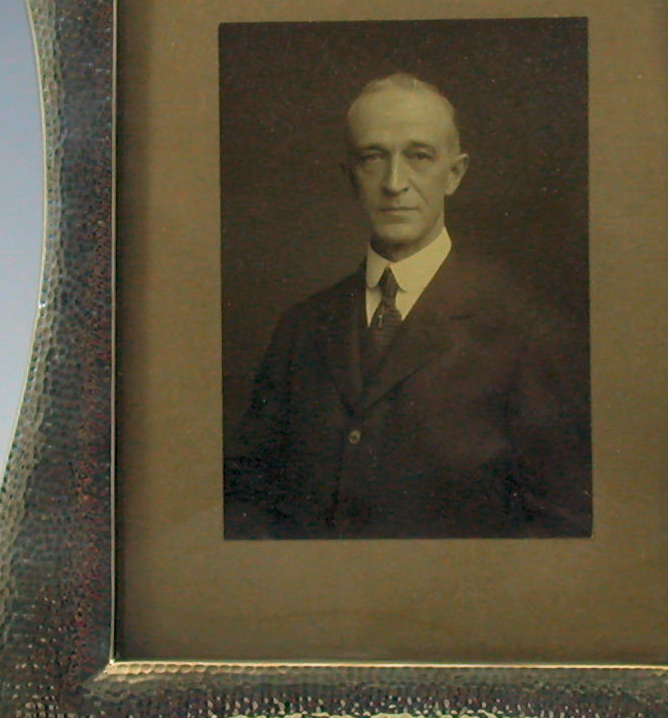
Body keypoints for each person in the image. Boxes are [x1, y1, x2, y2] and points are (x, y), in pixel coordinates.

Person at [224, 72, 591, 539]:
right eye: (373, 158)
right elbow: (246, 499)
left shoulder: (527, 332)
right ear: (349, 177)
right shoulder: (300, 327)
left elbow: (561, 526)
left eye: (419, 156)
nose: (395, 183)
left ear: (454, 174)